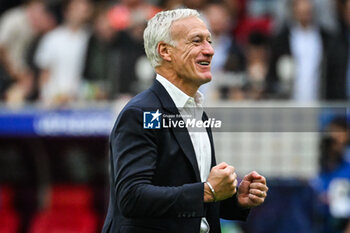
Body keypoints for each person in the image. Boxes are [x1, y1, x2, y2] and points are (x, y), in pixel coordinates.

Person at [102, 9, 268, 233]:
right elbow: (132, 197)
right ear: (165, 51)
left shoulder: (197, 112)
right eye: (196, 41)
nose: (209, 50)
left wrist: (235, 200)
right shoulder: (142, 113)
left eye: (209, 41)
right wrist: (208, 190)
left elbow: (190, 197)